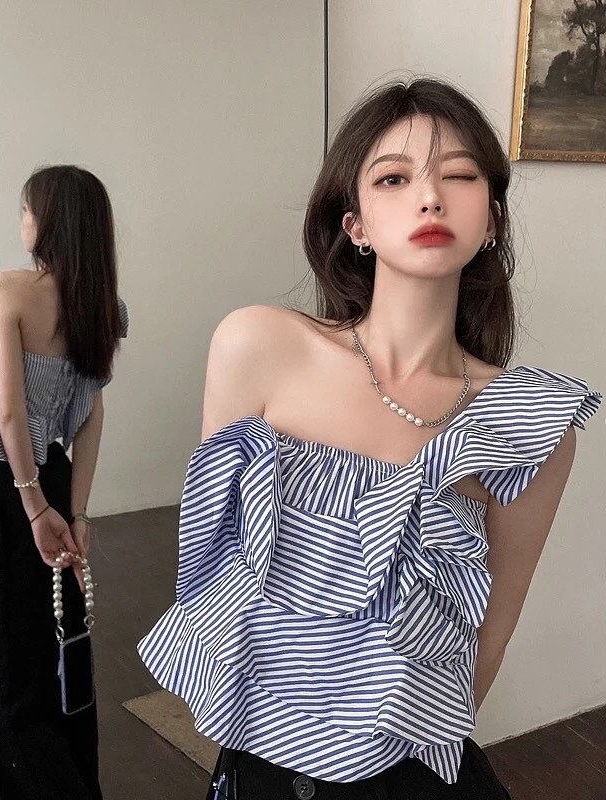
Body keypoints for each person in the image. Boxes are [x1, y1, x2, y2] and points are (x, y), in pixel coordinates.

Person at [137, 79, 601, 799]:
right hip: (263, 767)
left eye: (459, 176)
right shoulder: (259, 346)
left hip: (409, 776)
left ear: (492, 218)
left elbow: (489, 636)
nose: (430, 198)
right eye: (393, 178)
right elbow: (213, 571)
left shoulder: (527, 423)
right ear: (354, 224)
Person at [0, 165, 128, 799]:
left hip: (9, 487)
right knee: (60, 660)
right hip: (57, 477)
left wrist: (31, 508)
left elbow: (9, 413)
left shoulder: (9, 289)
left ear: (47, 220)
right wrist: (75, 513)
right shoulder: (101, 308)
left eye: (27, 209)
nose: (21, 221)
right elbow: (92, 417)